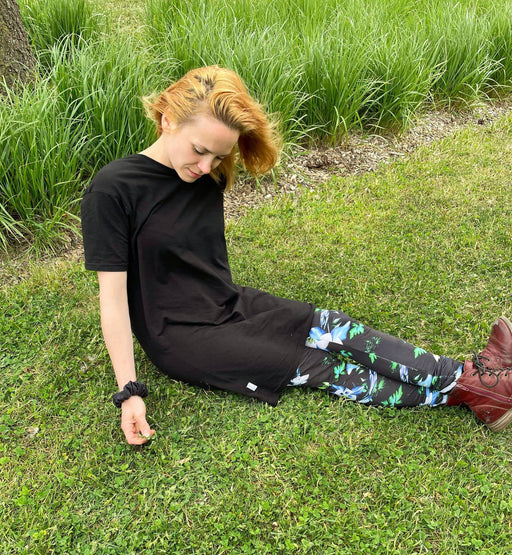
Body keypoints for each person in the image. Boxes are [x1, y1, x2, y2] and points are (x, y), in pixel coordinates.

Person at [81, 66, 512, 445]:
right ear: (167, 119)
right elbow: (113, 301)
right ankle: (480, 388)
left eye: (219, 155)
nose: (207, 166)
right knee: (321, 366)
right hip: (182, 335)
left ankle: (471, 381)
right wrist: (129, 391)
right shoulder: (113, 190)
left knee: (333, 325)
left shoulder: (207, 176)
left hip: (226, 302)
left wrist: (209, 159)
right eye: (199, 150)